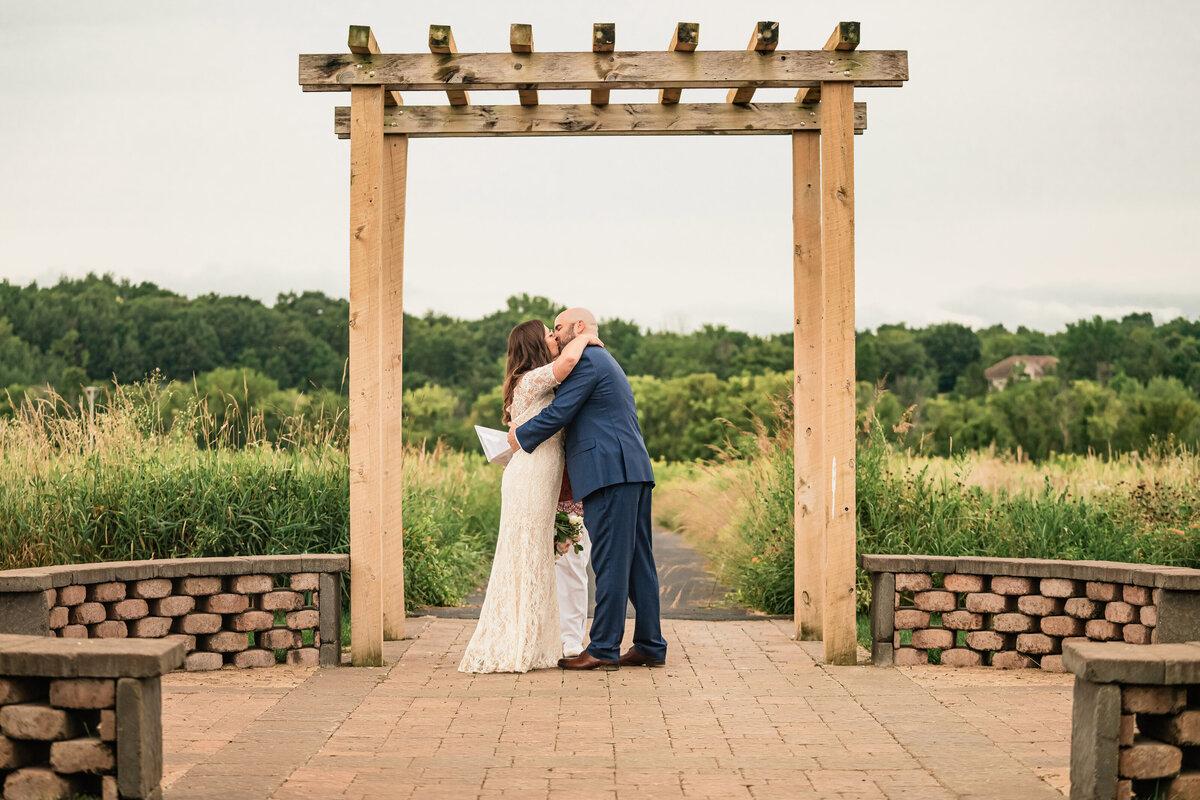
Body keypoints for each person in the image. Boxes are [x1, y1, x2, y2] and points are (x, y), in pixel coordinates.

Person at [509, 308, 667, 671]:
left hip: (609, 471)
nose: (556, 334)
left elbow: (561, 412)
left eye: (559, 328)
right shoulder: (594, 357)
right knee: (637, 562)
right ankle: (650, 645)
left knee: (611, 561)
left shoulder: (589, 360)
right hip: (629, 470)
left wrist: (521, 436)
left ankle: (603, 648)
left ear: (579, 327)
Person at [458, 319, 602, 674]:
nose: (555, 338)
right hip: (530, 477)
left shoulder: (532, 380)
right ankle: (515, 642)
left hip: (540, 476)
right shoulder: (532, 377)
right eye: (549, 334)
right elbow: (567, 363)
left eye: (557, 333)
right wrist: (585, 337)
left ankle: (535, 640)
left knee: (536, 556)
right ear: (535, 345)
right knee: (524, 556)